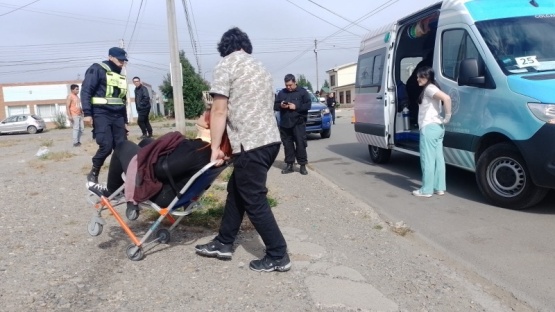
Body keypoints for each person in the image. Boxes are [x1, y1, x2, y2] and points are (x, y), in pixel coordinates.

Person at [194, 27, 291, 273]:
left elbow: (218, 110)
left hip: (250, 143)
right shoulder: (261, 67)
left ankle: (278, 255)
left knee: (254, 199)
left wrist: (215, 147)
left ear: (224, 48)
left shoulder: (226, 65)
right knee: (237, 190)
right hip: (270, 141)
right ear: (246, 46)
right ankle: (224, 242)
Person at [87, 113, 211, 207]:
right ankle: (126, 184)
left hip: (162, 195)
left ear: (212, 123)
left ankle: (112, 191)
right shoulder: (210, 149)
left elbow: (160, 170)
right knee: (147, 142)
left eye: (208, 111)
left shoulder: (196, 151)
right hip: (176, 190)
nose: (202, 113)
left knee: (123, 146)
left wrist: (156, 155)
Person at [81, 47, 129, 184]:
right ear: (110, 57)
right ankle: (94, 172)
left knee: (122, 148)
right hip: (101, 113)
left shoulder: (119, 75)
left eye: (124, 60)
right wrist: (87, 113)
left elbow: (122, 99)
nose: (122, 62)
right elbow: (86, 91)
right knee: (106, 145)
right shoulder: (97, 69)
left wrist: (124, 120)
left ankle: (120, 179)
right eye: (120, 59)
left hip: (118, 114)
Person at [412, 66, 452, 198]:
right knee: (438, 159)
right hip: (437, 127)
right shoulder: (433, 88)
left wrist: (448, 116)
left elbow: (446, 98)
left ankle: (426, 190)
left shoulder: (429, 89)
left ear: (427, 77)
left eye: (420, 76)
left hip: (429, 127)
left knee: (427, 159)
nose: (417, 79)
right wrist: (444, 119)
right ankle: (439, 188)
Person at [274, 74, 312, 175]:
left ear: (295, 82)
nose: (288, 87)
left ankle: (302, 165)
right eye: (286, 85)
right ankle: (289, 165)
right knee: (288, 145)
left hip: (298, 123)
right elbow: (275, 105)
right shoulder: (282, 93)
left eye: (290, 85)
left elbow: (308, 105)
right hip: (285, 124)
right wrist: (281, 105)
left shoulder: (302, 92)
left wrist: (296, 106)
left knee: (300, 144)